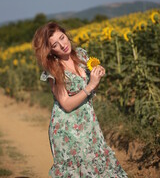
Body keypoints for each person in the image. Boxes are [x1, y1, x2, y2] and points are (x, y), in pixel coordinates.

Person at [32, 22, 128, 177]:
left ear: (66, 34)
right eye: (55, 45)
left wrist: (96, 78)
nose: (63, 45)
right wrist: (91, 85)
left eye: (62, 38)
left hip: (89, 124)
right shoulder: (54, 69)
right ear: (50, 51)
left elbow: (90, 90)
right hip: (68, 129)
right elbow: (66, 104)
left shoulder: (82, 55)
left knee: (100, 167)